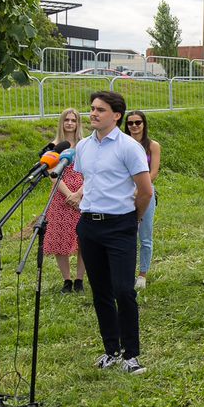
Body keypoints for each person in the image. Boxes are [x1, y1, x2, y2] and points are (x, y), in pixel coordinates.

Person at [74, 90, 153, 374]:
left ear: (116, 115)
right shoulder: (84, 146)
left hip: (120, 224)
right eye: (92, 108)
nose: (93, 113)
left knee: (123, 290)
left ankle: (132, 354)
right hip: (89, 224)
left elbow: (145, 190)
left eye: (100, 110)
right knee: (101, 292)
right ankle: (112, 350)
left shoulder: (128, 147)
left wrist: (135, 218)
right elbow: (89, 181)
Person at [45, 108, 86, 293]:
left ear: (78, 123)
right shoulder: (54, 146)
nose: (70, 123)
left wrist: (79, 193)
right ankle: (66, 280)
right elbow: (52, 175)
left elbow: (93, 171)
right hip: (61, 196)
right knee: (60, 237)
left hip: (84, 194)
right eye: (66, 120)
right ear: (61, 122)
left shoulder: (85, 145)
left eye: (73, 120)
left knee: (82, 240)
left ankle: (79, 280)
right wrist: (69, 194)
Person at [124, 110, 160, 291]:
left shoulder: (152, 145)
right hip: (124, 193)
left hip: (145, 192)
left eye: (138, 122)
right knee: (126, 234)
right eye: (130, 123)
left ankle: (142, 274)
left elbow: (153, 172)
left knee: (145, 235)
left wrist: (141, 187)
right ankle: (126, 271)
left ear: (144, 124)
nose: (134, 126)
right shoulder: (122, 144)